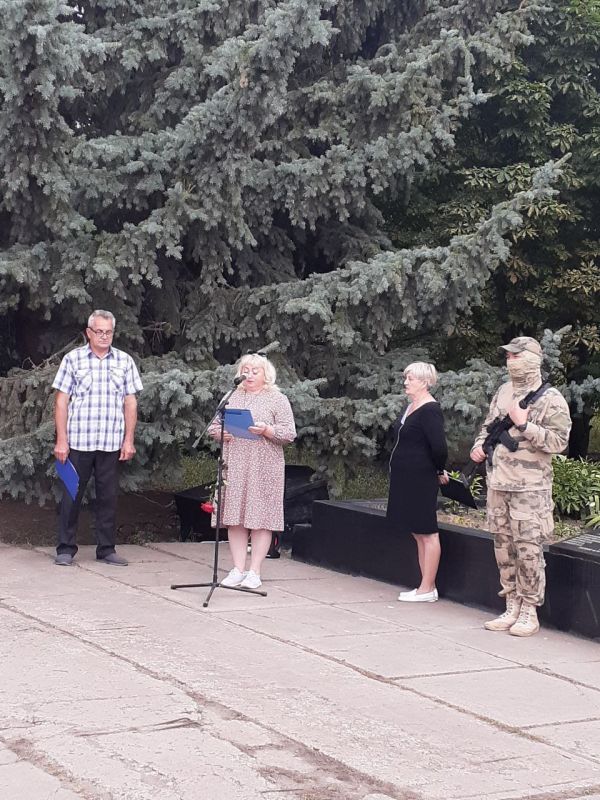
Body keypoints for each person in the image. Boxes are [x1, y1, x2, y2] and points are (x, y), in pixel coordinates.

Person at [470, 336, 571, 637]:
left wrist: (525, 425)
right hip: (498, 483)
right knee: (503, 547)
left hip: (529, 489)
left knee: (528, 549)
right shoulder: (504, 392)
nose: (510, 361)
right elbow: (488, 426)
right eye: (508, 357)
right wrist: (478, 446)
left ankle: (529, 609)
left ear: (532, 359)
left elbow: (560, 442)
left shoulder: (550, 398)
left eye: (516, 356)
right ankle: (511, 603)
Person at [52, 310, 143, 566]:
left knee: (108, 498)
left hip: (110, 443)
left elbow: (130, 402)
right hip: (77, 442)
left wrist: (128, 439)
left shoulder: (124, 361)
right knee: (71, 495)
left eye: (109, 332)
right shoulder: (73, 359)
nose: (104, 336)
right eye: (99, 331)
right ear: (88, 333)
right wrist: (61, 440)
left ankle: (106, 549)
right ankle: (65, 549)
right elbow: (61, 401)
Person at [209, 353, 296, 589]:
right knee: (234, 517)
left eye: (255, 371)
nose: (249, 375)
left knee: (260, 519)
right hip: (234, 464)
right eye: (245, 370)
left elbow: (289, 433)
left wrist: (267, 430)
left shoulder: (277, 399)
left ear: (266, 374)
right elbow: (214, 426)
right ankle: (237, 569)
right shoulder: (232, 396)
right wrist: (221, 433)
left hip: (263, 467)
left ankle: (254, 572)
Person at [387, 362, 449, 603]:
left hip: (421, 477)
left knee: (427, 531)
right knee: (417, 532)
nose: (405, 382)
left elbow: (439, 446)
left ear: (424, 382)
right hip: (406, 477)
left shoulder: (430, 410)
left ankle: (427, 588)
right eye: (406, 377)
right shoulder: (411, 407)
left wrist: (439, 469)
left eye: (410, 378)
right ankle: (426, 584)